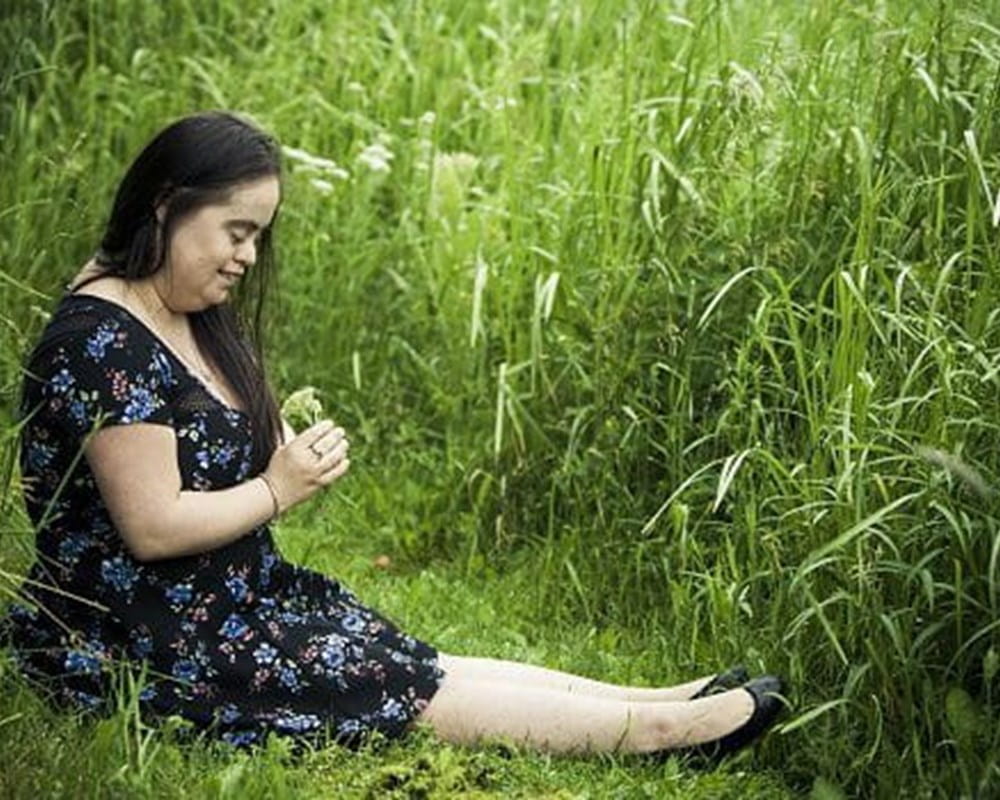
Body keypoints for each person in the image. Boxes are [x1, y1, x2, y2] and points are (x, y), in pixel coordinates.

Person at [3, 111, 785, 758]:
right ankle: (658, 735)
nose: (246, 256)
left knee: (412, 663)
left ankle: (646, 700)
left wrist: (281, 453)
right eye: (236, 231)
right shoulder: (98, 341)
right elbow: (153, 525)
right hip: (147, 638)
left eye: (257, 237)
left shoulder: (180, 310)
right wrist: (278, 487)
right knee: (397, 687)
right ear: (169, 203)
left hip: (227, 599)